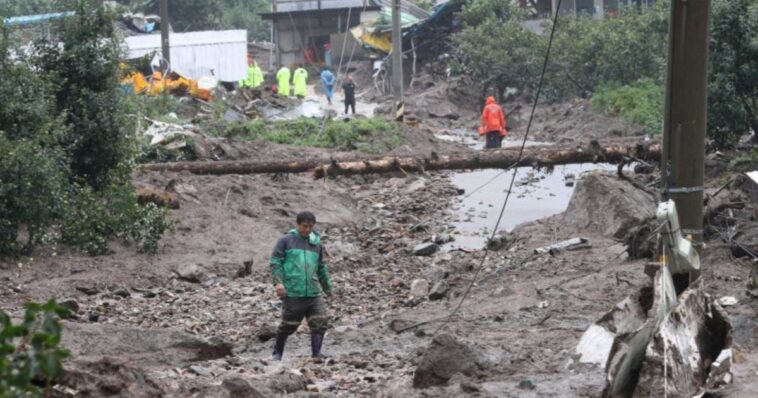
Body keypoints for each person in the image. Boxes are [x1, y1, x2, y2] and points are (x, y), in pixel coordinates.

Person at [270, 211, 333, 361]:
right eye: (304, 226)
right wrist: (278, 283)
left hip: (313, 291)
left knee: (320, 322)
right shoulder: (286, 241)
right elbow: (275, 263)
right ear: (297, 224)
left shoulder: (316, 245)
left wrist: (327, 288)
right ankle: (277, 354)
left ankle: (316, 354)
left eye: (310, 227)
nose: (307, 230)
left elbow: (321, 268)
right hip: (293, 291)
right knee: (288, 325)